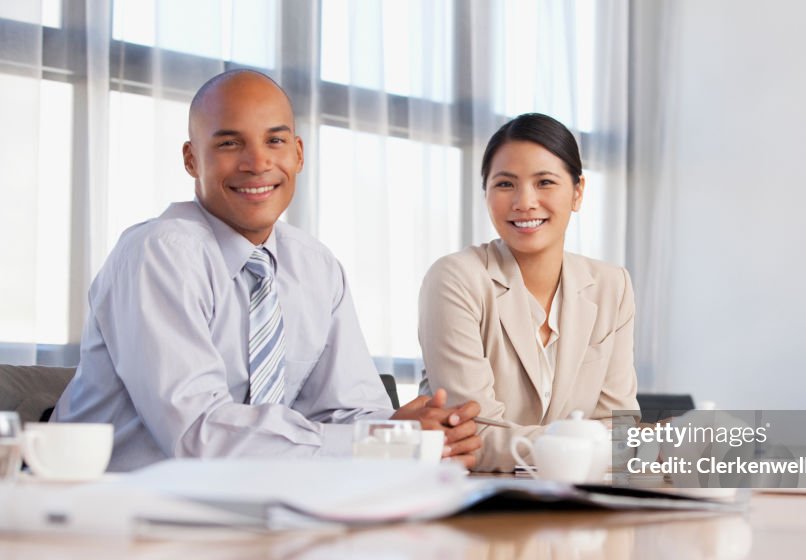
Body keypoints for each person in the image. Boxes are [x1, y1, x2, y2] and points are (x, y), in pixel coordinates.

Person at [54, 69, 481, 471]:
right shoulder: (159, 254)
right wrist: (382, 442)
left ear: (297, 154)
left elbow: (346, 411)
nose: (257, 163)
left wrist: (406, 432)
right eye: (228, 144)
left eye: (274, 142)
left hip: (249, 511)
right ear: (191, 159)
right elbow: (199, 437)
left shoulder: (315, 266)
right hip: (105, 513)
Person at [418, 113, 638, 472]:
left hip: (581, 501)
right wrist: (592, 446)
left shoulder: (612, 285)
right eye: (505, 184)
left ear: (577, 192)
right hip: (474, 501)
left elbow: (619, 428)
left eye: (545, 182)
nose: (524, 201)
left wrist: (604, 447)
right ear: (486, 193)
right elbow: (474, 437)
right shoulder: (455, 278)